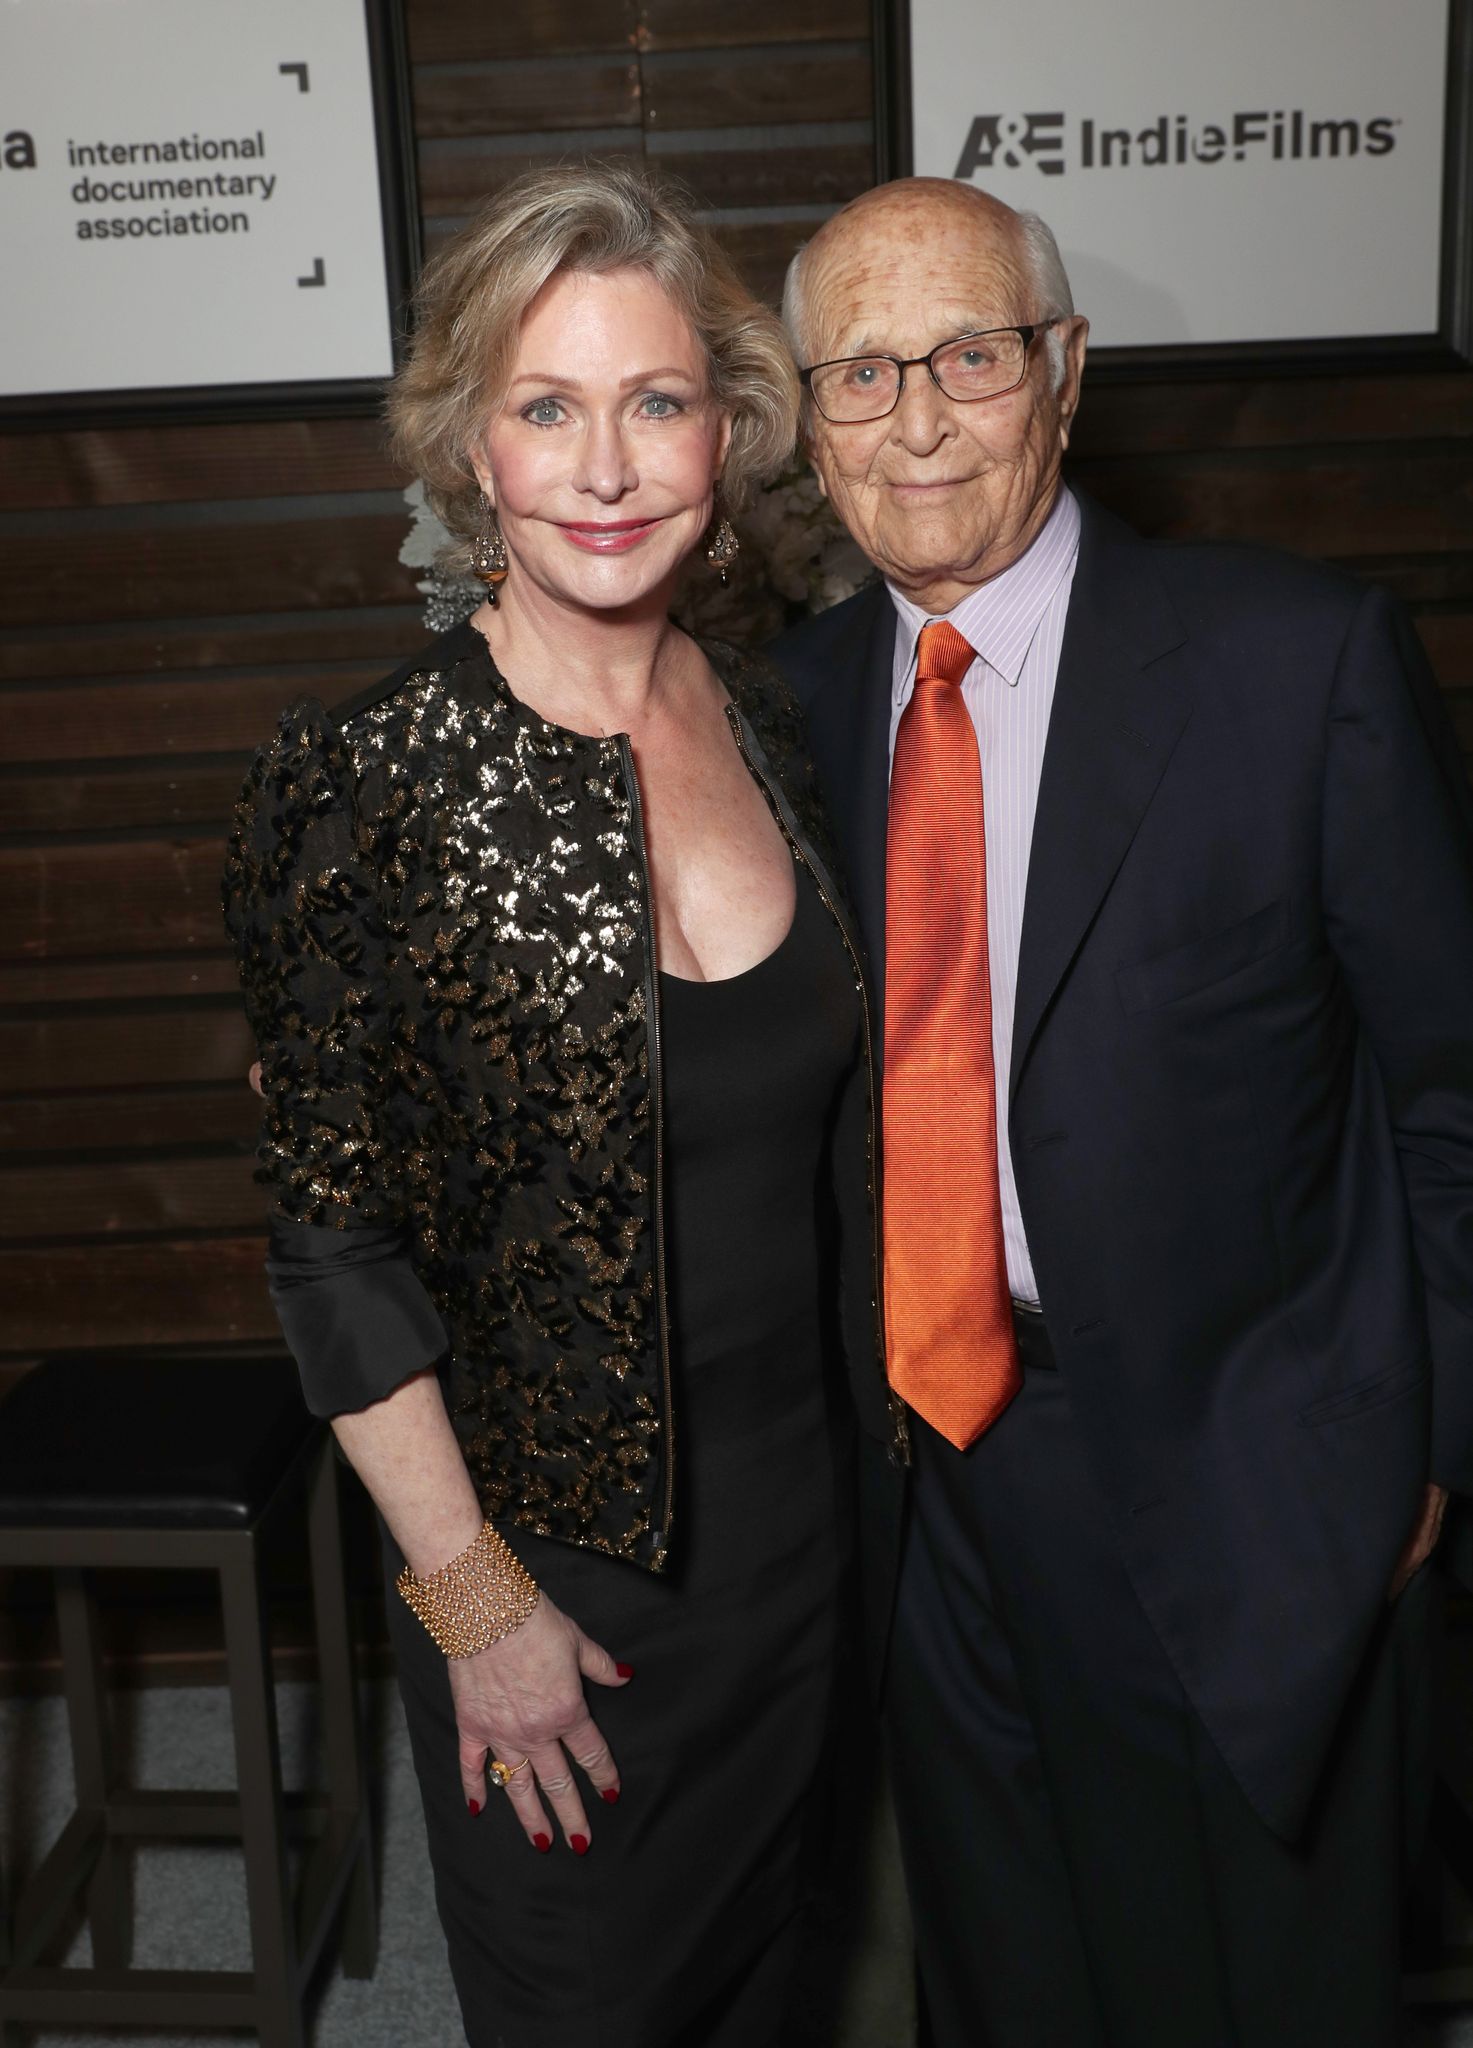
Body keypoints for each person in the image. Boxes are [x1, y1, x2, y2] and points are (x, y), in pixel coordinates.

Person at [770, 175, 1473, 2048]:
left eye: (967, 356)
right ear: (805, 416)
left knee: (1251, 1991)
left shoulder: (1292, 663)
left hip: (1238, 1473)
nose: (914, 420)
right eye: (859, 373)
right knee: (1004, 1974)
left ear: (1064, 376)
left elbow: (1452, 1090)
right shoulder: (786, 709)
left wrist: (1422, 1455)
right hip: (922, 1482)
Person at [222, 162, 901, 2048]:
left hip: (806, 1543)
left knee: (785, 1985)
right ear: (471, 450)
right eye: (546, 407)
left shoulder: (771, 720)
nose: (606, 467)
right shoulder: (358, 784)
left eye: (655, 402)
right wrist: (475, 1612)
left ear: (728, 433)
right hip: (552, 1594)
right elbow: (335, 1253)